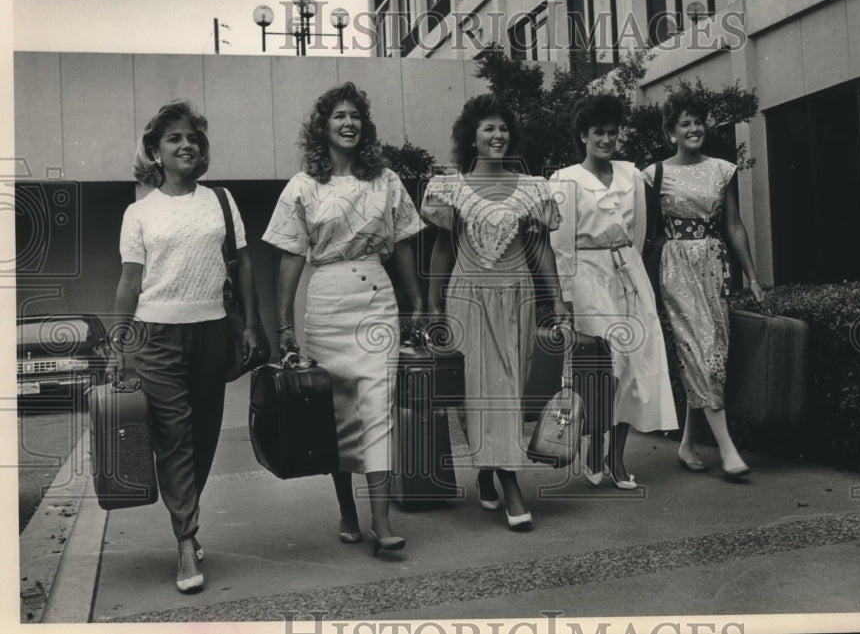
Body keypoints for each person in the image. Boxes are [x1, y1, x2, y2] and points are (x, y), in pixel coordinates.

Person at [263, 82, 424, 556]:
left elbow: (407, 243)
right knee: (335, 412)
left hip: (376, 298)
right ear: (323, 128)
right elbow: (290, 258)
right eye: (339, 116)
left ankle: (381, 520)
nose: (349, 123)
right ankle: (346, 509)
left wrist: (416, 302)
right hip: (327, 299)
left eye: (355, 115)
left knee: (377, 406)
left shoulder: (387, 180)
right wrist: (285, 329)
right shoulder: (303, 186)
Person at [114, 100, 260, 593]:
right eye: (174, 138)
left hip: (212, 331)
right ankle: (186, 539)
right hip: (157, 337)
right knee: (173, 437)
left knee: (204, 433)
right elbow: (130, 283)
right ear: (155, 151)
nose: (185, 145)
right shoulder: (139, 213)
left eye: (192, 138)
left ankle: (184, 516)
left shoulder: (221, 201)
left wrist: (251, 325)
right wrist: (122, 341)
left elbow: (243, 264)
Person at [422, 94, 568, 531]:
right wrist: (431, 303)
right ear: (472, 137)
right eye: (488, 128)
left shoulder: (532, 188)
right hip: (467, 295)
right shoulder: (450, 188)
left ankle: (490, 471)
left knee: (509, 389)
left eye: (503, 128)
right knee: (476, 392)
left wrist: (557, 300)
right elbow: (443, 249)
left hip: (517, 295)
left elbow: (540, 250)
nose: (497, 135)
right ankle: (510, 486)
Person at [549, 95, 678, 489]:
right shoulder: (566, 180)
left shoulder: (631, 175)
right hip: (587, 278)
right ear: (582, 136)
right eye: (598, 133)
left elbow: (638, 235)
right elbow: (560, 244)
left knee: (635, 364)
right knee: (605, 365)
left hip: (627, 274)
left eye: (611, 132)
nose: (606, 139)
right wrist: (566, 298)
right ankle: (591, 448)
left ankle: (617, 458)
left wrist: (630, 270)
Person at [642, 97, 765, 479]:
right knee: (700, 350)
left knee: (712, 353)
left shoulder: (721, 170)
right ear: (670, 133)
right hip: (675, 268)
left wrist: (753, 276)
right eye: (684, 125)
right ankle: (728, 450)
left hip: (714, 267)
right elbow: (644, 233)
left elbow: (734, 226)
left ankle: (686, 444)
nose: (693, 129)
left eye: (697, 123)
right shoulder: (653, 174)